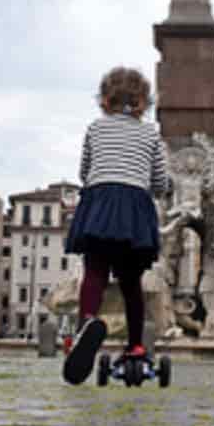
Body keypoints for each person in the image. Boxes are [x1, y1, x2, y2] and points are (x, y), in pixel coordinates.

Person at [62, 67, 169, 385]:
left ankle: (87, 323)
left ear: (104, 100)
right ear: (143, 103)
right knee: (131, 283)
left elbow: (84, 171)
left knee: (94, 271)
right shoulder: (151, 134)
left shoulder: (96, 128)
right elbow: (160, 181)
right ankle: (135, 346)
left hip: (100, 202)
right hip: (134, 208)